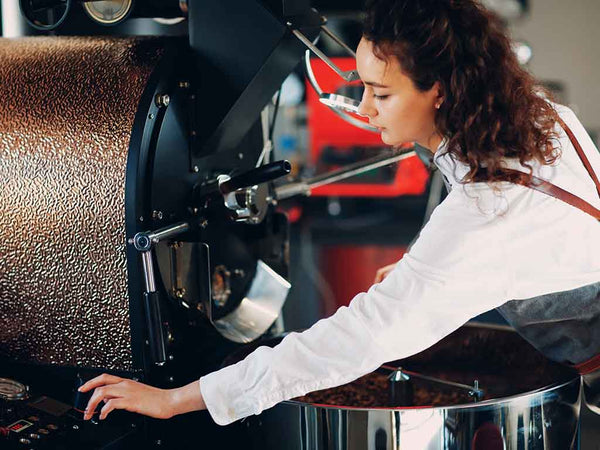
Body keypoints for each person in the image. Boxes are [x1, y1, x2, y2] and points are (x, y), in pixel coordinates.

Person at [79, 0, 600, 424]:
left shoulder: (486, 217)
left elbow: (354, 340)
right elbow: (543, 238)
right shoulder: (531, 113)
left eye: (381, 92)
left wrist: (178, 399)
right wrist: (438, 269)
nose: (366, 109)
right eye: (362, 84)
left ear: (440, 90)